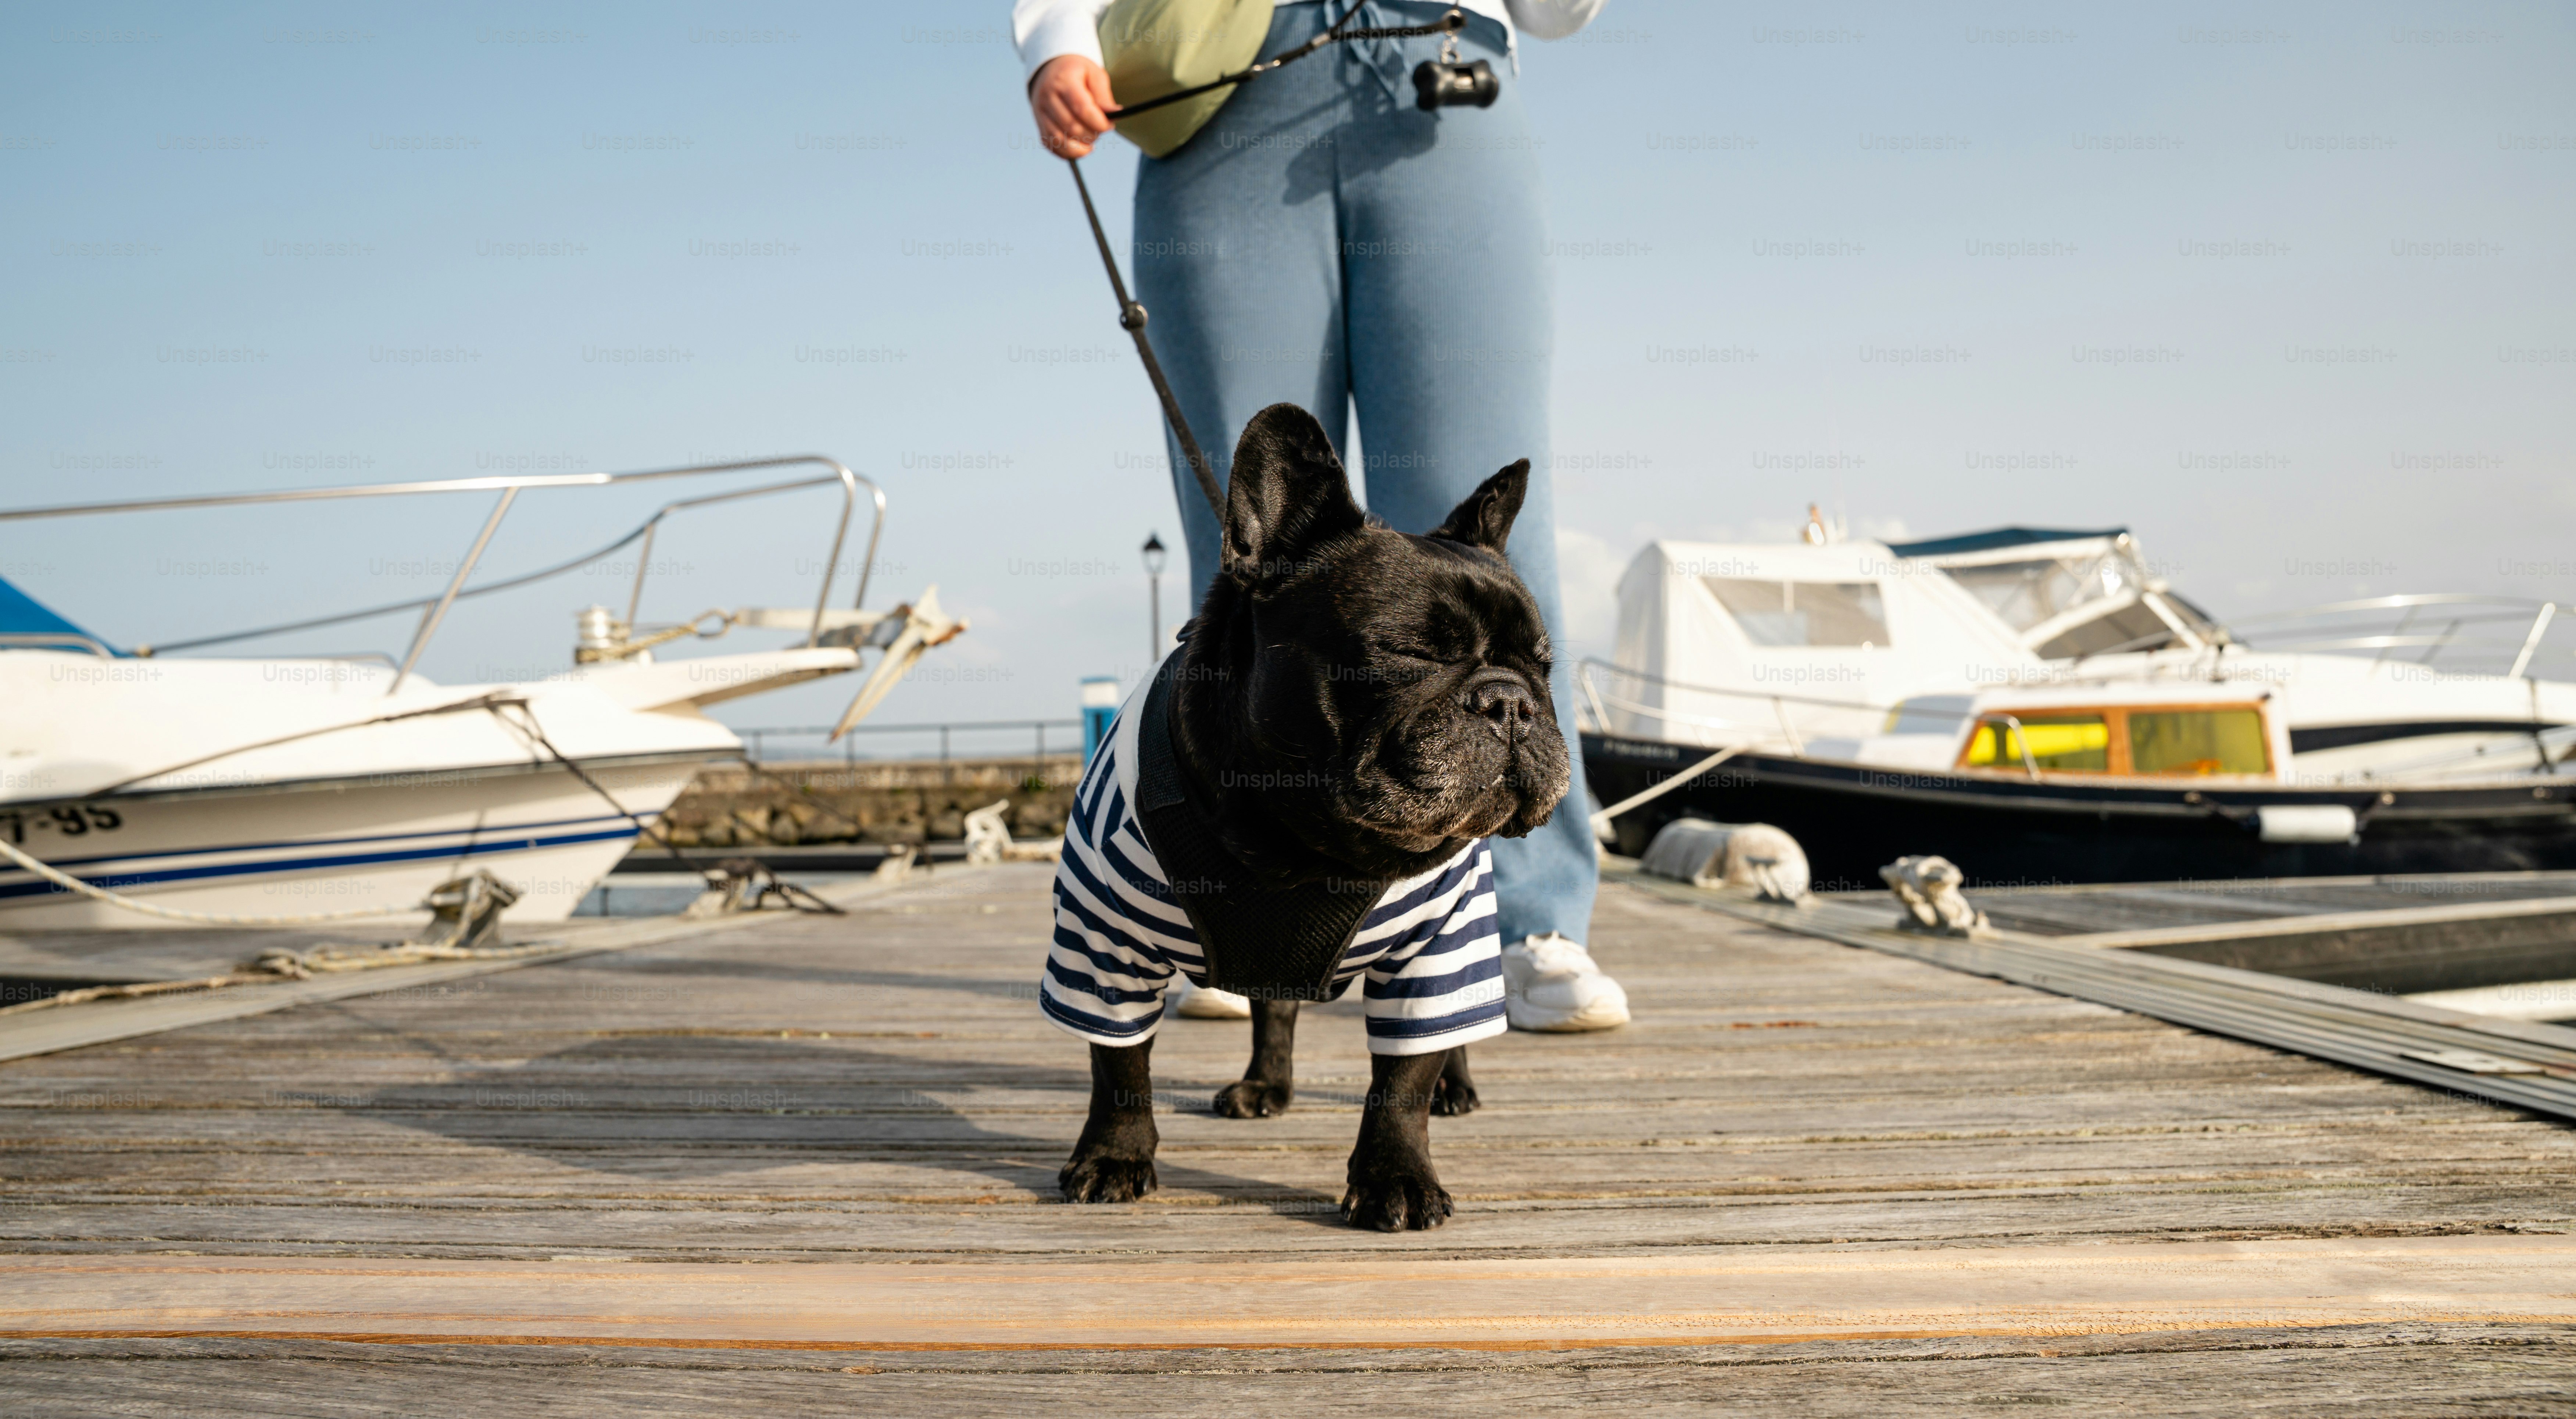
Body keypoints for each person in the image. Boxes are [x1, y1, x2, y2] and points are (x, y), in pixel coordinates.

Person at [1013, 0, 1626, 1032]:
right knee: (1260, 542)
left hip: (1442, 70)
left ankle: (1523, 918)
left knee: (1485, 529)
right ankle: (1216, 908)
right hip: (1217, 88)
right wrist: (1056, 40)